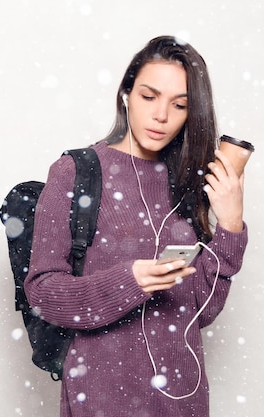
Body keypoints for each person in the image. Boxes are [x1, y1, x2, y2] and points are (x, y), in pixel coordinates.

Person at [24, 35, 248, 417]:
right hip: (101, 397)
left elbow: (202, 313)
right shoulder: (76, 172)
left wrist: (230, 222)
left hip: (183, 399)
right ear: (126, 94)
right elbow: (43, 294)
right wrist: (131, 283)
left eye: (179, 105)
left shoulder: (188, 183)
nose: (162, 115)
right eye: (149, 96)